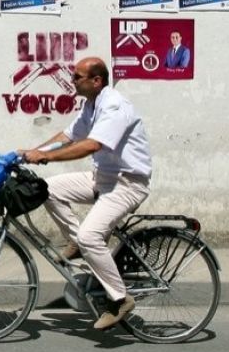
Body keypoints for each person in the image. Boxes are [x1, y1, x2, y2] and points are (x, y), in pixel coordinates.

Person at [20, 56, 151, 331]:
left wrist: (46, 157)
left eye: (77, 77)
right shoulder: (91, 105)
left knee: (90, 235)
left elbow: (92, 145)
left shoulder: (114, 106)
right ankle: (77, 243)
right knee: (48, 189)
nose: (72, 81)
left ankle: (120, 299)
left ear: (97, 80)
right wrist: (33, 152)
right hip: (103, 178)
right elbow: (68, 136)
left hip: (127, 183)